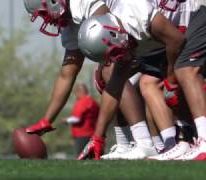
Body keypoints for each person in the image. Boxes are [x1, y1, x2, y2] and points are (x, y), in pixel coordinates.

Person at [23, 0, 184, 160]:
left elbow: (107, 33)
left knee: (109, 71)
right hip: (138, 40)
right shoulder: (70, 20)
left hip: (152, 27)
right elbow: (67, 73)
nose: (46, 20)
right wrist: (46, 120)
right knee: (108, 76)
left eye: (44, 14)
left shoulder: (82, 3)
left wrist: (103, 66)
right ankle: (125, 144)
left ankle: (145, 142)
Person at [77, 0, 206, 161]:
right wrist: (98, 137)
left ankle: (204, 142)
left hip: (196, 15)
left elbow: (175, 40)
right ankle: (183, 141)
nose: (115, 57)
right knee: (155, 83)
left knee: (184, 71)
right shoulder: (120, 33)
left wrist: (171, 77)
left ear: (112, 34)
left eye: (113, 52)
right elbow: (115, 87)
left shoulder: (132, 13)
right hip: (178, 32)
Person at [63, 83, 99, 155]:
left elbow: (77, 119)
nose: (75, 96)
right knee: (93, 157)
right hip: (93, 133)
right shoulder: (94, 102)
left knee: (81, 156)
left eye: (75, 93)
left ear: (79, 92)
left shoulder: (82, 102)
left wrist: (66, 120)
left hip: (82, 135)